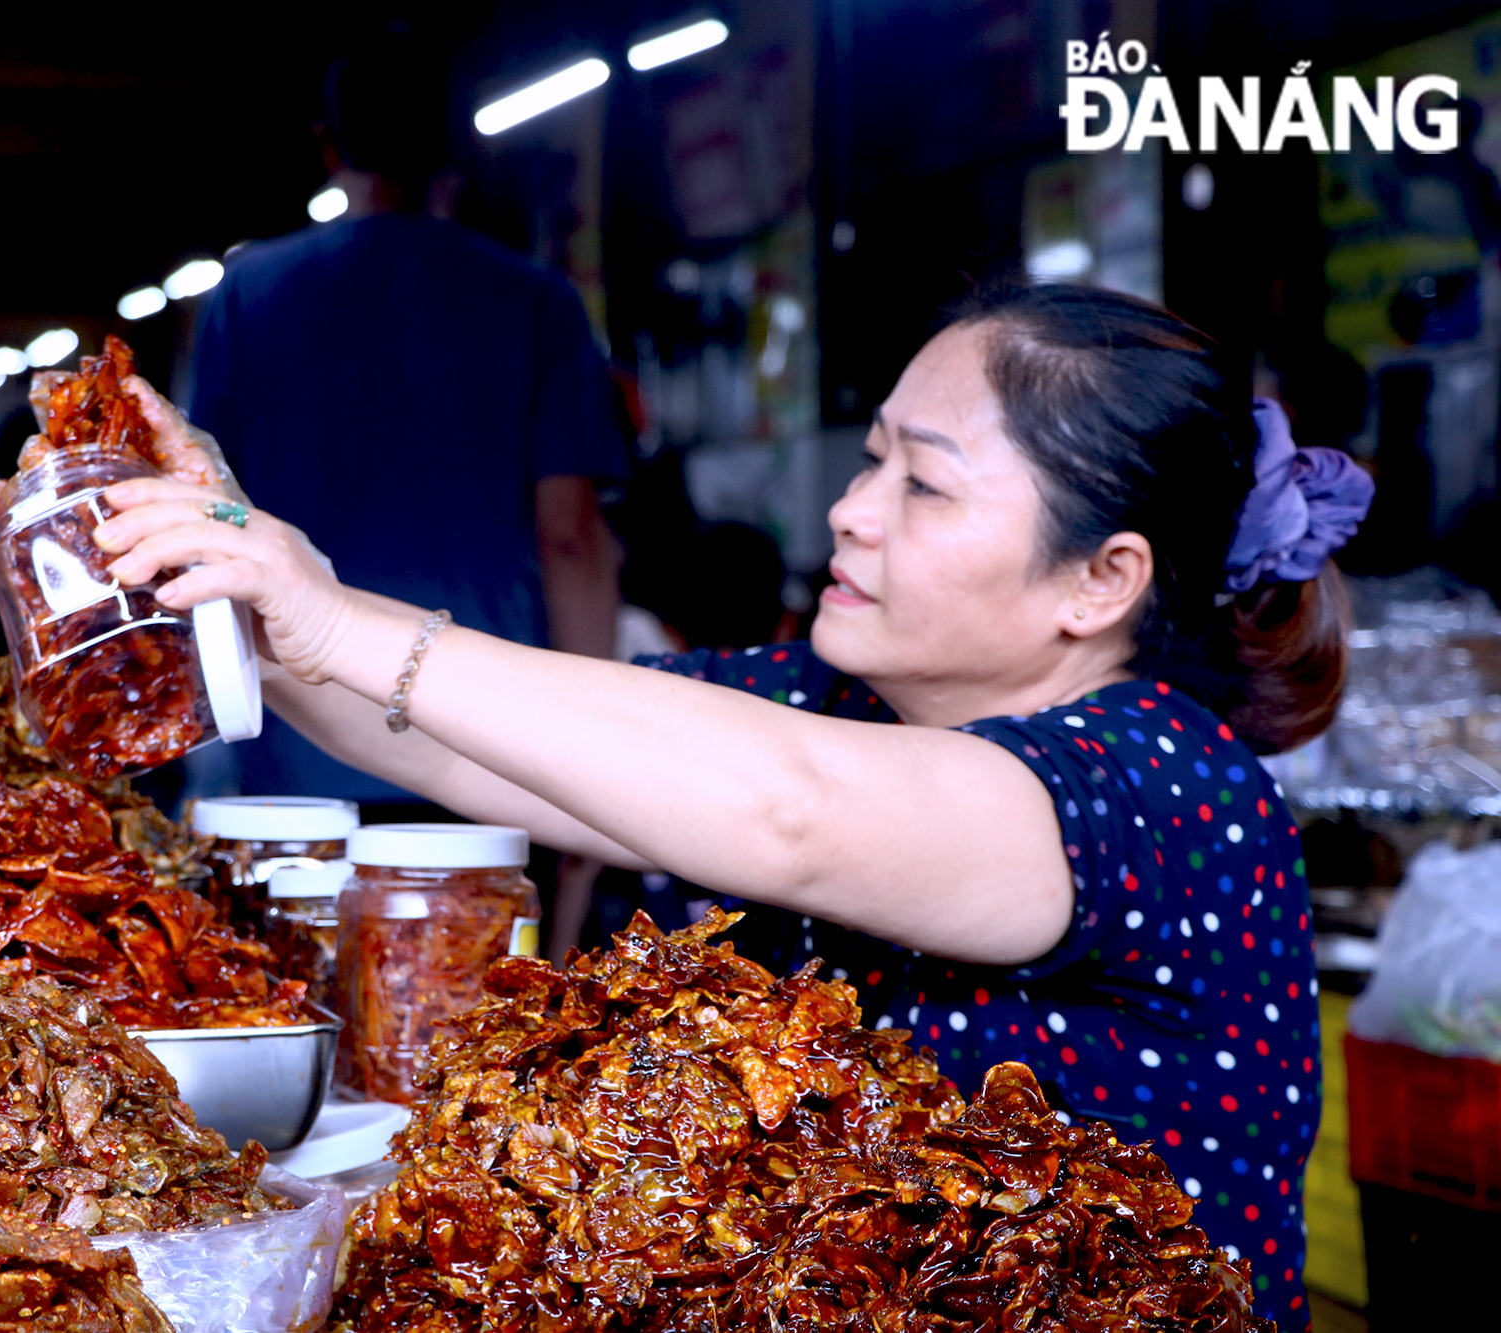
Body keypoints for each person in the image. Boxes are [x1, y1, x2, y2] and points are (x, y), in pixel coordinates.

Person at [91, 284, 1373, 1328]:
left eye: (921, 487)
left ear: (1100, 581)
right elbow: (499, 749)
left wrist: (333, 617)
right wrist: (239, 575)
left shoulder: (1164, 787)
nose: (849, 513)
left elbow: (792, 811)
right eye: (871, 459)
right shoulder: (841, 693)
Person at [186, 32, 629, 804]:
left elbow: (210, 505)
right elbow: (570, 535)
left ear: (327, 147)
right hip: (493, 737)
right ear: (460, 147)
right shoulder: (536, 303)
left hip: (301, 740)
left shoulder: (248, 295)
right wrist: (595, 758)